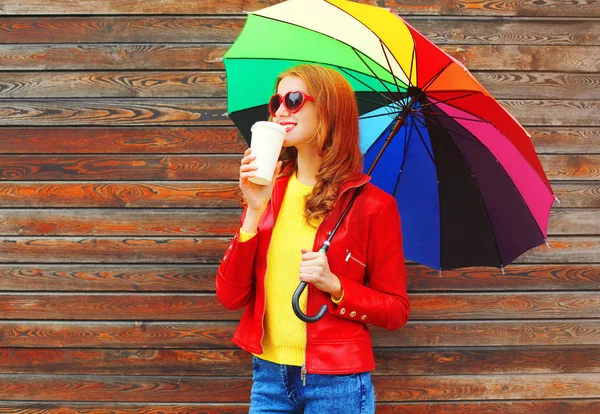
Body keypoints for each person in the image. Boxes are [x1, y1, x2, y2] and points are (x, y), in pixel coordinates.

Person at [216, 64, 409, 413]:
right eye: (276, 101)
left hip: (337, 383)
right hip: (268, 377)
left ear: (330, 109)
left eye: (294, 100)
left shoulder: (373, 206)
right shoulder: (267, 191)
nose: (280, 111)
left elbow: (395, 311)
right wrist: (253, 212)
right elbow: (230, 297)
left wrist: (335, 285)